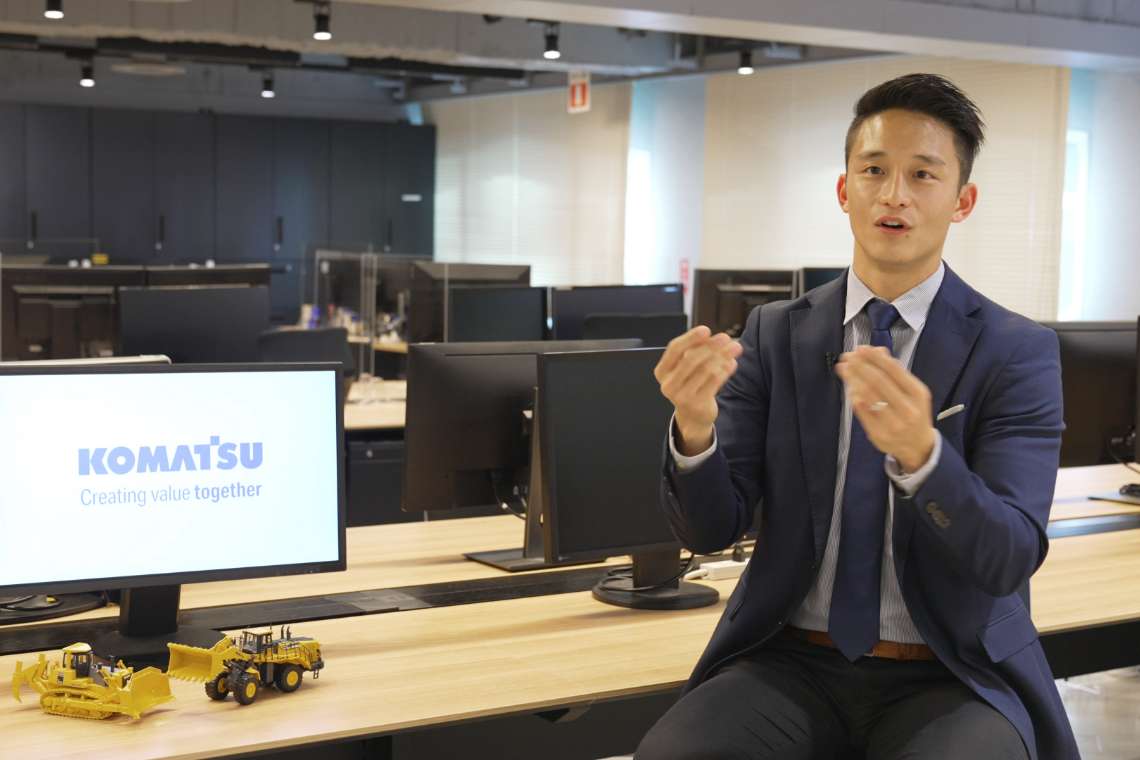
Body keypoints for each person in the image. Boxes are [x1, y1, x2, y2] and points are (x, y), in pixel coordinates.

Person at [638, 73, 1079, 760]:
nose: (894, 193)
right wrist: (695, 430)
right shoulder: (775, 333)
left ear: (962, 201)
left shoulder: (1016, 350)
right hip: (789, 661)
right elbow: (710, 530)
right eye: (874, 170)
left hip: (949, 672)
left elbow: (1009, 557)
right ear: (845, 190)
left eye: (923, 174)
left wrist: (925, 460)